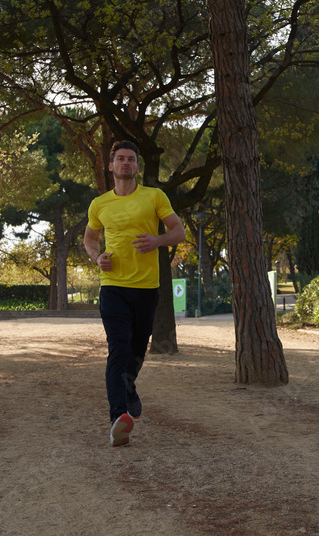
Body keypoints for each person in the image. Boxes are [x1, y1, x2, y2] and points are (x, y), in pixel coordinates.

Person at [83, 140, 186, 446]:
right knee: (119, 347)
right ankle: (118, 417)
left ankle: (128, 387)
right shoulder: (99, 204)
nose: (126, 163)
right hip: (113, 287)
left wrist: (157, 241)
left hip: (147, 287)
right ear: (111, 166)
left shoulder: (154, 196)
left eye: (131, 159)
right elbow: (90, 239)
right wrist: (96, 257)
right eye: (120, 159)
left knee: (137, 349)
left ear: (137, 167)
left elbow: (178, 232)